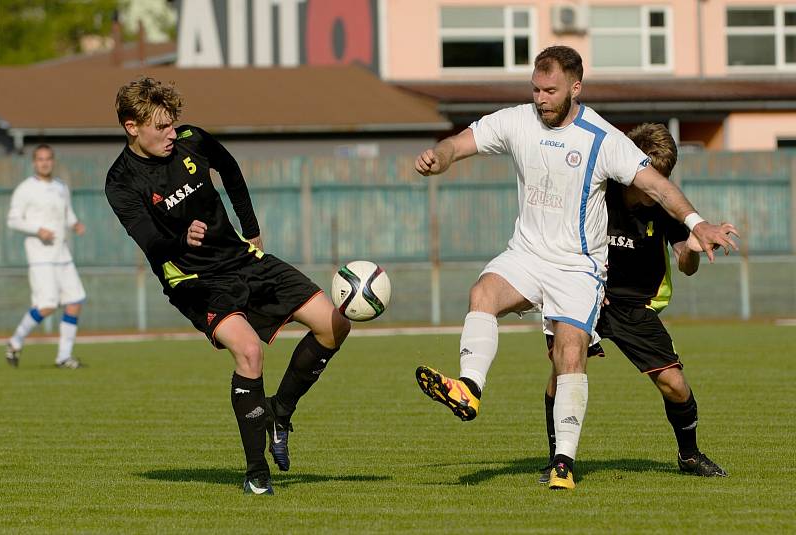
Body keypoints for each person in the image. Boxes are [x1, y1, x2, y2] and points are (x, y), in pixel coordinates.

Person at [413, 46, 737, 490]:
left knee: (574, 354)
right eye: (535, 88)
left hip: (579, 270)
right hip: (526, 253)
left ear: (575, 87)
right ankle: (469, 387)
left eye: (550, 90)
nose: (541, 98)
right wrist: (440, 156)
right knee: (483, 292)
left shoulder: (602, 140)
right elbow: (460, 143)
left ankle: (566, 465)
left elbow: (659, 188)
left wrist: (698, 224)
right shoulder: (515, 120)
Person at [104, 77, 351, 495]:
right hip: (194, 280)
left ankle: (280, 411)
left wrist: (251, 229)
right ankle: (256, 475)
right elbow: (149, 242)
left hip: (241, 259)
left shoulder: (191, 139)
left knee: (335, 324)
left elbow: (231, 170)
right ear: (132, 126)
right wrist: (181, 239)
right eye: (161, 127)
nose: (171, 133)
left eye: (172, 124)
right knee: (250, 351)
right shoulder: (121, 181)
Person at [538, 123, 730, 483]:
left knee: (675, 384)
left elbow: (686, 267)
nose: (654, 188)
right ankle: (557, 458)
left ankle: (689, 455)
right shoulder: (596, 190)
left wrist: (691, 250)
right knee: (563, 371)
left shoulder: (666, 206)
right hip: (585, 294)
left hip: (635, 307)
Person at [6, 144, 86, 369]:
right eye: (40, 159)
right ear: (34, 162)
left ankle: (63, 357)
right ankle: (15, 341)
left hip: (62, 254)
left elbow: (67, 213)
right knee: (48, 304)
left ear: (53, 161)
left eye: (48, 159)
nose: (44, 163)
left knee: (75, 301)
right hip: (40, 256)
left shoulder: (61, 186)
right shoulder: (25, 189)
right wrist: (37, 229)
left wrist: (75, 224)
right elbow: (13, 219)